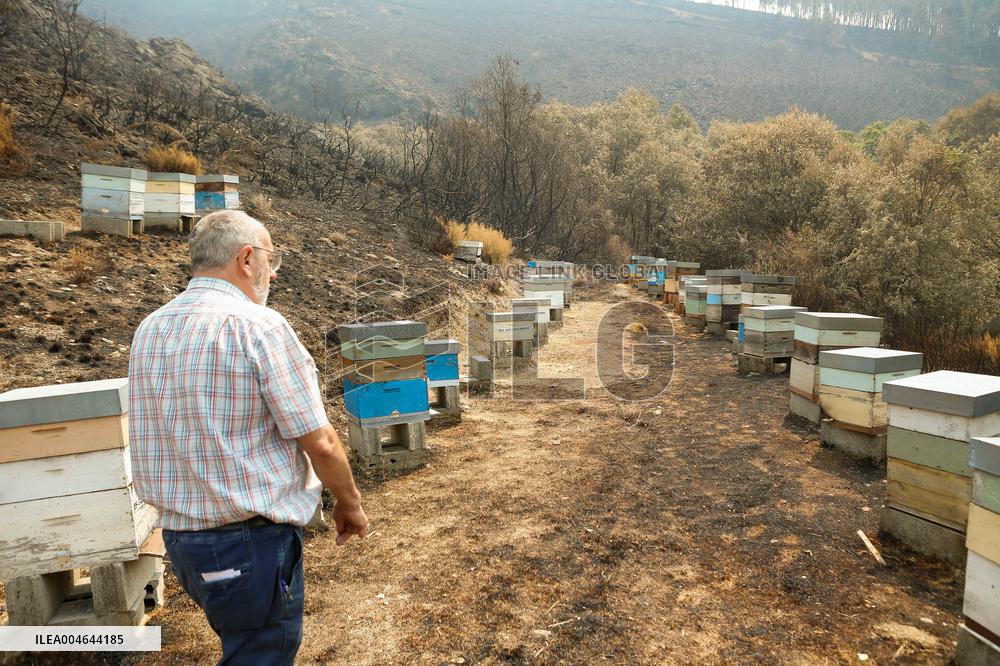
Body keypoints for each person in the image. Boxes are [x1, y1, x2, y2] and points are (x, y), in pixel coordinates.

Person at [128, 210, 368, 665]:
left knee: (243, 644)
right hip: (247, 545)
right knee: (262, 654)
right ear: (245, 259)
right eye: (269, 258)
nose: (272, 271)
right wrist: (350, 503)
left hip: (181, 541)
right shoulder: (259, 326)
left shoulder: (150, 328)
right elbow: (321, 442)